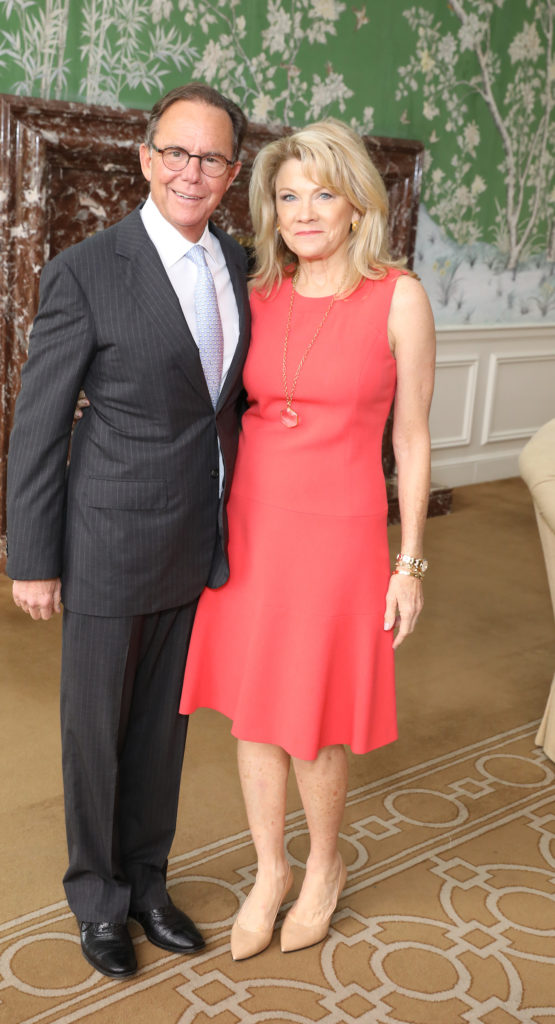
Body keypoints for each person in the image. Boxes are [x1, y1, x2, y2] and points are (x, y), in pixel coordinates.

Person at [5, 82, 250, 979]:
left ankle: (148, 882)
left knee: (161, 729)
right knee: (95, 733)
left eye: (211, 157)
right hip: (105, 541)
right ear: (145, 158)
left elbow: (225, 408)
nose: (192, 171)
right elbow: (38, 424)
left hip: (195, 544)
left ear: (231, 173)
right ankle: (98, 899)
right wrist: (34, 557)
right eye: (175, 152)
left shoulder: (239, 267)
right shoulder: (86, 268)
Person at [179, 118, 436, 960]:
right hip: (252, 523)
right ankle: (270, 869)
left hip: (340, 533)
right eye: (287, 196)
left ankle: (324, 867)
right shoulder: (256, 294)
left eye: (322, 192)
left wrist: (407, 565)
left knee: (315, 716)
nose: (303, 210)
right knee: (253, 711)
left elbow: (412, 441)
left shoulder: (398, 296)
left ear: (358, 202)